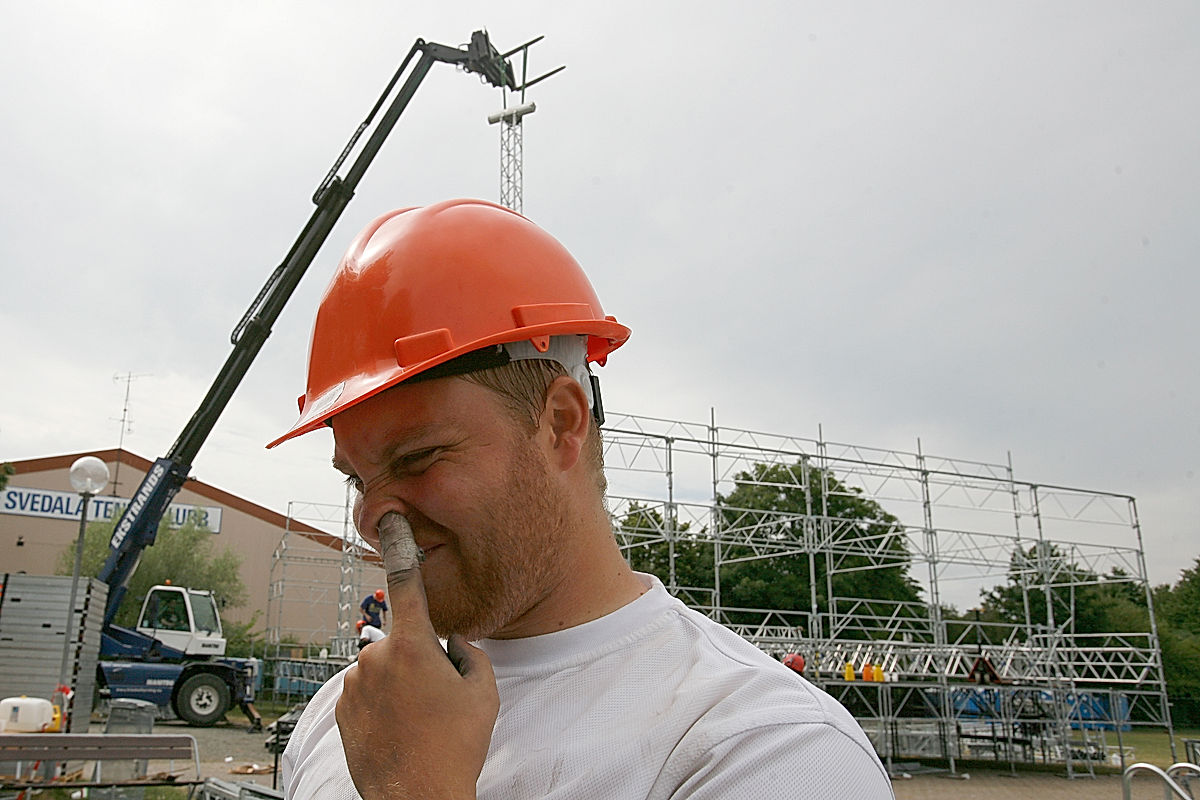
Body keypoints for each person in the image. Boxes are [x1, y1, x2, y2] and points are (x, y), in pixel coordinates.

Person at [268, 199, 893, 799]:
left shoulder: (765, 749)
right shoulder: (346, 717)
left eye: (417, 458)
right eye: (357, 478)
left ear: (562, 425)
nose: (374, 520)